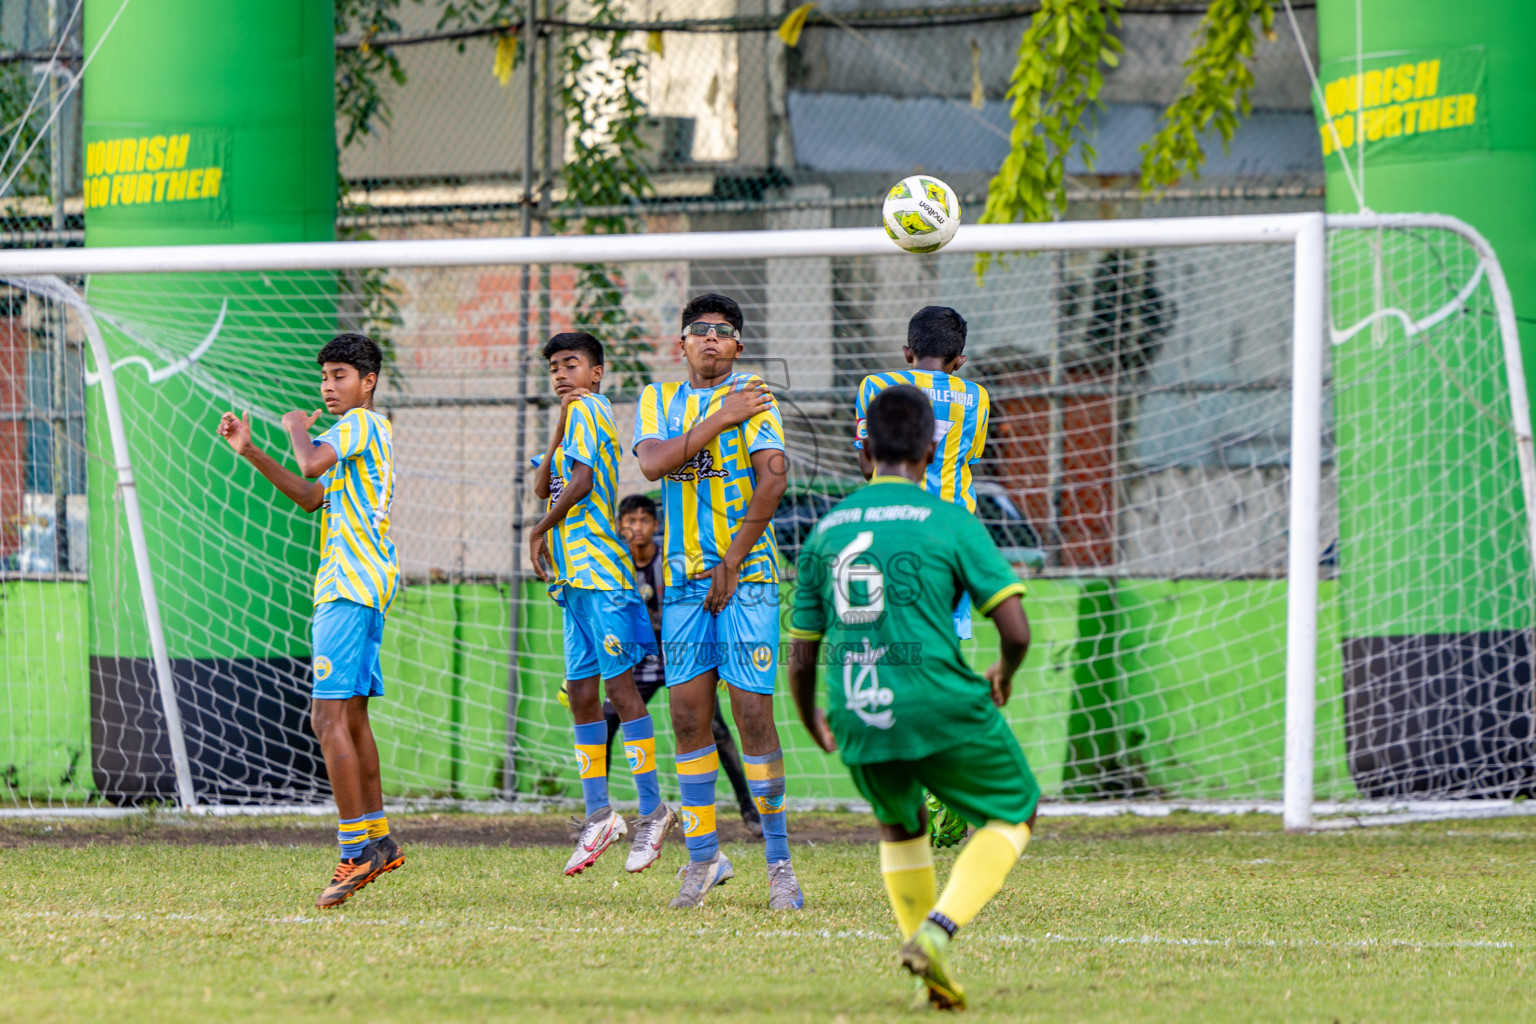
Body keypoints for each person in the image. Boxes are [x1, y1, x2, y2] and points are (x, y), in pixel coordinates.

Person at [788, 384, 1037, 1010]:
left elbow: (802, 649)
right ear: (931, 450)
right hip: (939, 698)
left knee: (901, 826)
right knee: (1016, 811)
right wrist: (1003, 673)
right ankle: (937, 931)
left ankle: (930, 973)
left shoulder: (827, 529)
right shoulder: (951, 519)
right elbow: (1015, 630)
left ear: (864, 449)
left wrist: (811, 714)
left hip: (856, 706)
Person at [216, 333, 405, 909]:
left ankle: (354, 855)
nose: (328, 386)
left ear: (368, 382)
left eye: (340, 375)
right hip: (366, 583)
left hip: (348, 587)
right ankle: (379, 838)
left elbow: (308, 457)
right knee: (350, 715)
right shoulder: (364, 435)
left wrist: (296, 422)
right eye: (324, 376)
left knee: (326, 720)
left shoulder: (359, 425)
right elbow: (308, 493)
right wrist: (250, 449)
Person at [631, 293, 803, 910]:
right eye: (698, 330)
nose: (710, 338)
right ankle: (704, 860)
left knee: (753, 717)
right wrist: (719, 420)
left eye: (723, 331)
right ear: (681, 343)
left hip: (746, 578)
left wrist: (731, 561)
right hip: (682, 585)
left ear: (737, 345)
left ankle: (780, 863)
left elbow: (774, 478)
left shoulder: (756, 395)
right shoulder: (658, 400)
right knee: (686, 718)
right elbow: (652, 464)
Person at [529, 332, 674, 877]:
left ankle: (653, 811)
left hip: (602, 578)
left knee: (619, 692)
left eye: (572, 364)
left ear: (596, 373)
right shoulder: (573, 420)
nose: (562, 375)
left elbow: (583, 484)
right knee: (582, 696)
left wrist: (539, 529)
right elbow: (545, 482)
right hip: (573, 585)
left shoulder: (592, 408)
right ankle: (599, 816)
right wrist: (555, 430)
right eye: (554, 368)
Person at [853, 304, 991, 848]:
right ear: (959, 359)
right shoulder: (976, 396)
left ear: (906, 351)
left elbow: (868, 462)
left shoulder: (876, 385)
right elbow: (966, 458)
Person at [603, 494, 763, 838]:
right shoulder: (616, 564)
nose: (637, 527)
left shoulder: (671, 560)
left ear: (656, 525)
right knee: (606, 722)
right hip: (639, 659)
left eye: (644, 520)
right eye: (630, 521)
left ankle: (749, 808)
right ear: (619, 527)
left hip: (681, 654)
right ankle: (599, 813)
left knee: (716, 730)